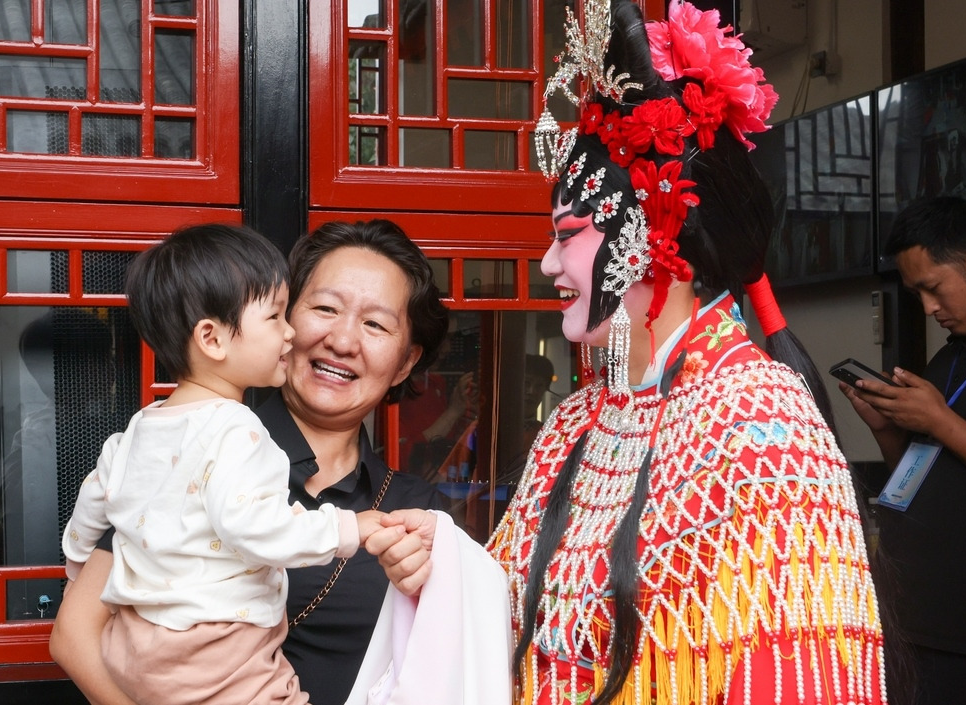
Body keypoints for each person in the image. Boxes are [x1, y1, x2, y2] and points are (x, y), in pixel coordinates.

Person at [372, 2, 887, 703]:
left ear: (652, 234)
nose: (549, 263)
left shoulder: (762, 423)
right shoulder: (575, 418)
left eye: (569, 234)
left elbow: (788, 675)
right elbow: (520, 609)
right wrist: (447, 561)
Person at [49, 219, 448, 705]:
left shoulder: (417, 509)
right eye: (324, 308)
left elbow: (446, 659)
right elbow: (75, 637)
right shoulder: (187, 453)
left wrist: (428, 580)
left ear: (405, 362)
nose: (343, 342)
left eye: (375, 324)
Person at [840, 196, 966, 705]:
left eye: (934, 288)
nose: (928, 308)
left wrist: (939, 420)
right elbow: (923, 477)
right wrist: (888, 431)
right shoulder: (948, 359)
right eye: (917, 294)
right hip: (910, 622)